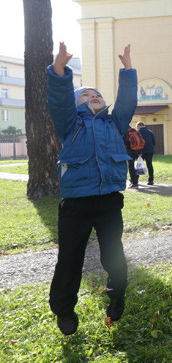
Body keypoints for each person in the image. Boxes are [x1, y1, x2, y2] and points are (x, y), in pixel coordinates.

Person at [47, 42, 137, 335]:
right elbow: (59, 101)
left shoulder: (115, 123)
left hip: (110, 201)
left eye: (97, 93)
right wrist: (60, 70)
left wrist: (128, 71)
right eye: (86, 94)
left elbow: (126, 102)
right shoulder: (70, 124)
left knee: (114, 255)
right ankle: (64, 310)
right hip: (76, 204)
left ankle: (117, 293)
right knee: (70, 260)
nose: (94, 96)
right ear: (76, 104)